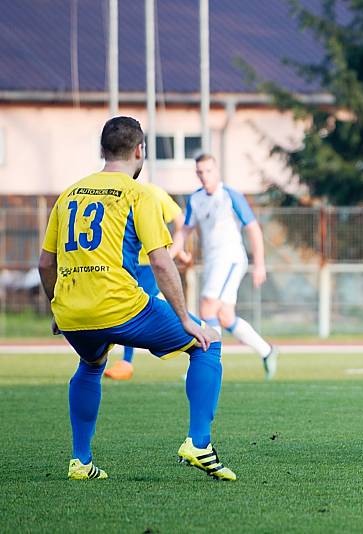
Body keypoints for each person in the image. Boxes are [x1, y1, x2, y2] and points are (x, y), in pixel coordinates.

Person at [38, 116, 236, 481]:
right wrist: (186, 319)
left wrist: (56, 309)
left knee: (92, 364)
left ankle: (80, 461)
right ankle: (199, 443)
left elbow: (45, 262)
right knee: (207, 342)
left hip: (71, 312)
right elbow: (161, 261)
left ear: (103, 150)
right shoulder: (138, 193)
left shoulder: (68, 194)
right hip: (120, 306)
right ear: (140, 150)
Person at [172, 154, 278, 380]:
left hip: (230, 259)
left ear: (216, 170)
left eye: (208, 171)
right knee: (226, 317)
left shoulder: (230, 196)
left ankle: (209, 366)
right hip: (213, 262)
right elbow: (185, 230)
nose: (204, 176)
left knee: (207, 308)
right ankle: (267, 351)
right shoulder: (196, 199)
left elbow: (253, 228)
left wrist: (260, 264)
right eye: (200, 172)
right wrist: (172, 252)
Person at [104, 182, 188, 380]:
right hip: (127, 263)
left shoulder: (155, 193)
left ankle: (126, 362)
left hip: (151, 265)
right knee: (125, 308)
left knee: (132, 309)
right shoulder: (118, 194)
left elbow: (181, 223)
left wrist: (172, 253)